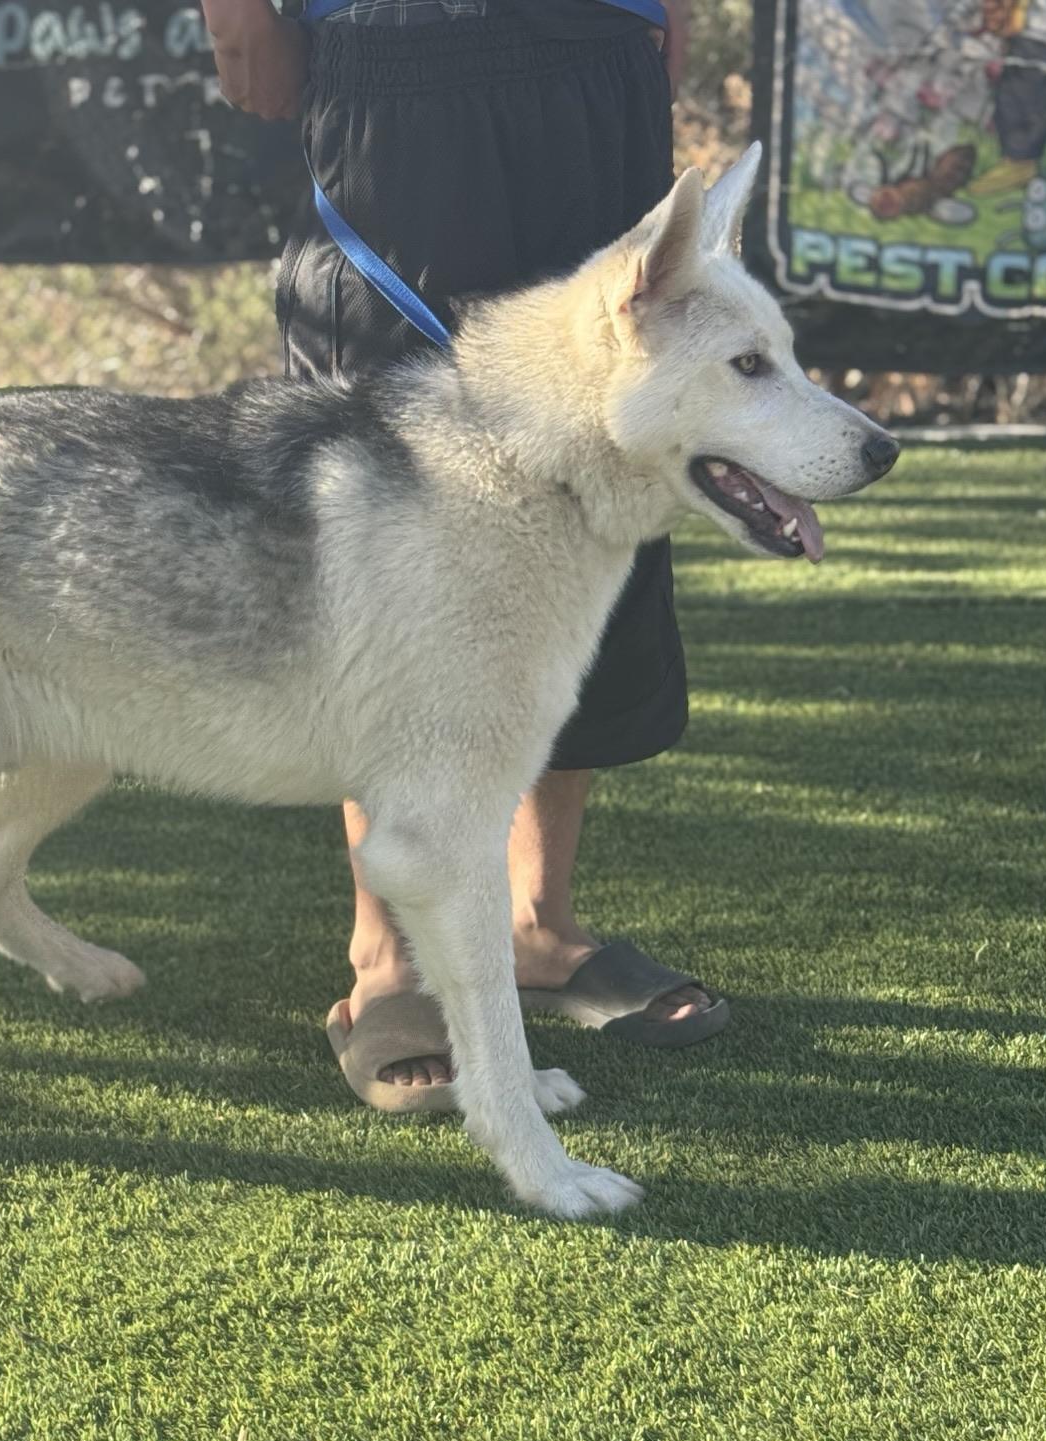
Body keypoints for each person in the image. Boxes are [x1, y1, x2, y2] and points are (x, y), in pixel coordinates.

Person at [205, 0, 728, 1111]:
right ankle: (386, 959)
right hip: (397, 58)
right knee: (394, 502)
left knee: (603, 445)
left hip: (595, 48)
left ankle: (539, 926)